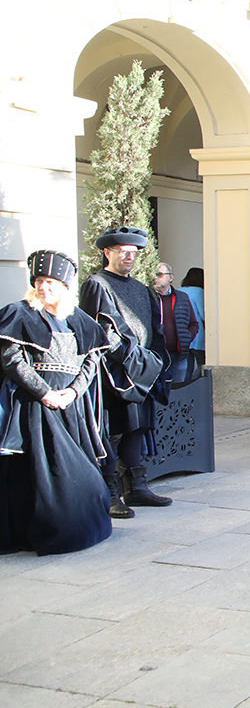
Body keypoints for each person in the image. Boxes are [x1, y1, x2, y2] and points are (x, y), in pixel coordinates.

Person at [0, 251, 113, 555]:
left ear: (63, 286)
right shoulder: (20, 313)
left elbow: (91, 361)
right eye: (39, 281)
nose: (44, 287)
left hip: (70, 406)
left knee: (79, 470)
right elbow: (12, 359)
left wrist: (73, 392)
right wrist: (43, 393)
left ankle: (80, 525)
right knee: (34, 471)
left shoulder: (78, 319)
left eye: (51, 282)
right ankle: (32, 532)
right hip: (35, 407)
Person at [78, 227, 170, 519]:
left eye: (133, 251)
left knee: (136, 428)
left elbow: (155, 329)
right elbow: (102, 331)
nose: (129, 256)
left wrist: (153, 362)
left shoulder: (142, 289)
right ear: (108, 252)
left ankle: (138, 487)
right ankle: (110, 493)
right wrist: (135, 361)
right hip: (112, 375)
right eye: (122, 250)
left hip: (142, 371)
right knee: (113, 432)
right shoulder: (97, 285)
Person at [152, 263, 200, 385]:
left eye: (160, 274)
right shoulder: (148, 297)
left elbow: (194, 323)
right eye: (154, 275)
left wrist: (186, 338)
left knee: (177, 391)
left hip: (178, 355)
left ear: (171, 277)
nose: (156, 278)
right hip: (155, 356)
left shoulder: (181, 297)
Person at [180, 268, 206, 380]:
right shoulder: (199, 291)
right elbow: (203, 315)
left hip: (182, 333)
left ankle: (184, 385)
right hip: (197, 333)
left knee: (187, 365)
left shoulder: (179, 290)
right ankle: (196, 384)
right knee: (201, 364)